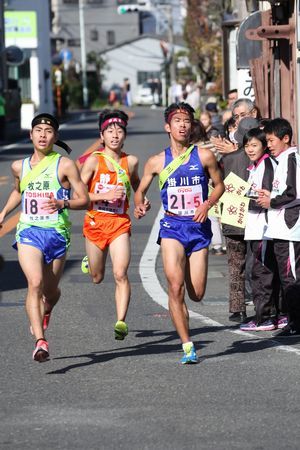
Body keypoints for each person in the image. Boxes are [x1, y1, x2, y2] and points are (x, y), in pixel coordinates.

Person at [134, 102, 224, 364]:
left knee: (196, 293)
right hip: (172, 228)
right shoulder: (156, 161)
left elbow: (219, 186)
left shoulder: (204, 156)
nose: (183, 125)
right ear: (168, 126)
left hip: (198, 229)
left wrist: (207, 204)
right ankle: (187, 345)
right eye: (178, 121)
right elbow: (140, 191)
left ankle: (186, 270)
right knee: (175, 288)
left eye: (187, 121)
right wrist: (140, 204)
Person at [0, 113, 89, 362]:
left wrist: (63, 202)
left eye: (48, 131)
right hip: (29, 231)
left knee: (50, 292)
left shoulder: (65, 165)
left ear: (55, 136)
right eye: (38, 130)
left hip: (56, 233)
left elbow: (84, 199)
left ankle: (47, 307)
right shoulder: (19, 166)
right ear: (30, 135)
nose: (42, 135)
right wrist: (5, 211)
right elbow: (19, 191)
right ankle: (40, 342)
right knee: (34, 282)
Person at [80, 109, 149, 341]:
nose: (115, 135)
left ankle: (121, 321)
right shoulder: (93, 161)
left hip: (119, 223)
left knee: (120, 273)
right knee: (97, 277)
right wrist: (103, 195)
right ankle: (90, 262)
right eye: (110, 131)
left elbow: (138, 186)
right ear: (102, 136)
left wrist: (141, 202)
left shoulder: (130, 162)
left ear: (125, 135)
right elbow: (78, 196)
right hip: (95, 223)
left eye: (119, 130)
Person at [256, 118, 300, 337]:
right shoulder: (283, 159)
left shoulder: (292, 158)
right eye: (267, 141)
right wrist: (269, 197)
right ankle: (292, 321)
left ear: (285, 138)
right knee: (286, 277)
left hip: (290, 228)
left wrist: (271, 201)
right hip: (281, 228)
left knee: (291, 277)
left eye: (272, 140)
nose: (269, 145)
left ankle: (296, 323)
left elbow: (294, 193)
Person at [239, 128, 280, 331]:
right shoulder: (255, 165)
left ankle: (264, 317)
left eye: (254, 145)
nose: (249, 149)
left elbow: (264, 199)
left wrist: (244, 200)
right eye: (247, 145)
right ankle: (274, 314)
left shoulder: (266, 165)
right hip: (256, 227)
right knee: (265, 270)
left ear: (264, 145)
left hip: (264, 227)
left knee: (261, 272)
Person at [220, 117, 260, 322]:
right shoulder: (263, 159)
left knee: (236, 264)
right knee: (259, 263)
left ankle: (237, 309)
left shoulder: (227, 159)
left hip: (232, 216)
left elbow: (216, 184)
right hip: (256, 217)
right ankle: (264, 308)